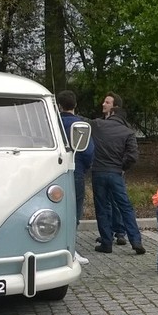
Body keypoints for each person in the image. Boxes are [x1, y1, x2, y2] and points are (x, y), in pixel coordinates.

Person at [90, 100, 145, 255]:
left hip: (98, 172)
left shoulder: (98, 125)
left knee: (102, 207)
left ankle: (106, 243)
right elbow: (133, 156)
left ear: (112, 113)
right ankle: (136, 241)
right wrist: (122, 167)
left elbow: (81, 123)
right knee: (125, 207)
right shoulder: (128, 132)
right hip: (116, 173)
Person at [56, 90, 95, 265]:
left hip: (55, 172)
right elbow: (87, 152)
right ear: (75, 105)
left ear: (58, 106)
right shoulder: (81, 125)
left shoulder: (52, 124)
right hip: (76, 170)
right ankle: (71, 248)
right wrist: (83, 167)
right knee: (74, 210)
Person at [94, 92, 128, 247]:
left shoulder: (122, 126)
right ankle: (106, 233)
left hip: (116, 169)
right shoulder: (101, 124)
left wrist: (122, 166)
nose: (103, 104)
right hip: (102, 167)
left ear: (115, 107)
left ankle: (120, 232)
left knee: (116, 201)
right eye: (104, 101)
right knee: (105, 202)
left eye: (107, 102)